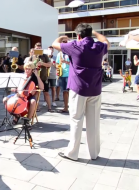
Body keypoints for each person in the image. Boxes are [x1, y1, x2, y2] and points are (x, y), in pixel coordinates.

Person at [52, 23, 109, 161]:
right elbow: (106, 40)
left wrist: (62, 37)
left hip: (78, 89)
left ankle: (72, 153)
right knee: (94, 122)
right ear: (89, 34)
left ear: (78, 35)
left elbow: (54, 44)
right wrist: (95, 33)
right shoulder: (99, 47)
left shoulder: (74, 46)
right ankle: (94, 153)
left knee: (76, 120)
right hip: (95, 89)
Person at [2, 62, 44, 126]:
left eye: (29, 69)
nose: (27, 70)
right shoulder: (21, 76)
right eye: (26, 69)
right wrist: (15, 90)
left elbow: (42, 87)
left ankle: (28, 120)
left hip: (28, 96)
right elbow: (13, 87)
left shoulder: (34, 77)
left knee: (33, 102)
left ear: (32, 70)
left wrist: (37, 75)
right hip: (18, 94)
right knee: (5, 99)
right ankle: (16, 114)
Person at [34, 43, 54, 112]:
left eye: (39, 48)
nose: (38, 49)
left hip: (43, 77)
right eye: (37, 48)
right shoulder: (33, 56)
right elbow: (29, 65)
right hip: (35, 77)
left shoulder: (44, 56)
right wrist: (35, 63)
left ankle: (49, 107)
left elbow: (49, 64)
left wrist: (42, 63)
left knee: (46, 93)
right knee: (36, 93)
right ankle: (37, 107)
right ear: (35, 48)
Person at [56, 43, 70, 113]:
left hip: (69, 74)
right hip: (62, 74)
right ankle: (65, 107)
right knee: (64, 92)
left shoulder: (70, 53)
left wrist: (65, 62)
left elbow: (74, 63)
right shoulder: (59, 54)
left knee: (70, 92)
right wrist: (57, 67)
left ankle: (72, 106)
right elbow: (57, 63)